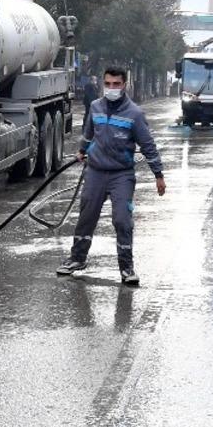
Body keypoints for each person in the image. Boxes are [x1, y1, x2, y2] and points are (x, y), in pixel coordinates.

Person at [57, 66, 165, 286]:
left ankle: (127, 268)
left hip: (121, 175)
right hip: (95, 172)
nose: (111, 88)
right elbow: (88, 134)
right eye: (108, 84)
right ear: (103, 84)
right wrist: (81, 151)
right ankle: (77, 259)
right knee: (86, 217)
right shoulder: (95, 107)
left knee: (122, 220)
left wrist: (158, 175)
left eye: (116, 84)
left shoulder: (134, 114)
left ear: (124, 85)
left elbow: (148, 146)